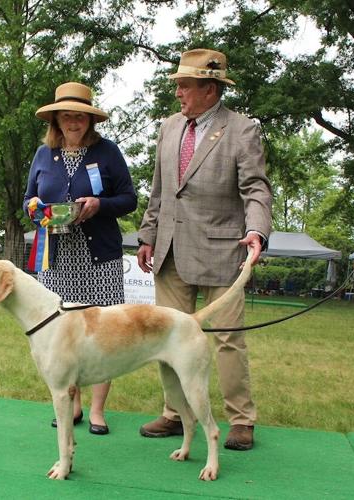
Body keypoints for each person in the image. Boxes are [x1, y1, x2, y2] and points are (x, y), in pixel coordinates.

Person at [136, 48, 272, 451]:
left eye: (185, 86)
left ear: (210, 89)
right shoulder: (169, 127)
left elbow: (255, 189)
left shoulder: (242, 129)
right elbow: (160, 189)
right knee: (166, 340)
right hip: (169, 253)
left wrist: (257, 232)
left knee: (228, 339)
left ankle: (241, 419)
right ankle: (175, 413)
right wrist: (147, 235)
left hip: (223, 254)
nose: (178, 93)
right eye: (177, 85)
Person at [24, 81, 137, 435]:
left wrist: (99, 205)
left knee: (104, 333)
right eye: (66, 116)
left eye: (80, 116)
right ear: (55, 119)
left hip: (98, 257)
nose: (73, 122)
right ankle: (71, 405)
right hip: (56, 259)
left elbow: (129, 198)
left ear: (90, 120)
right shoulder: (43, 155)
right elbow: (28, 199)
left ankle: (99, 410)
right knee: (63, 332)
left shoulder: (108, 152)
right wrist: (37, 211)